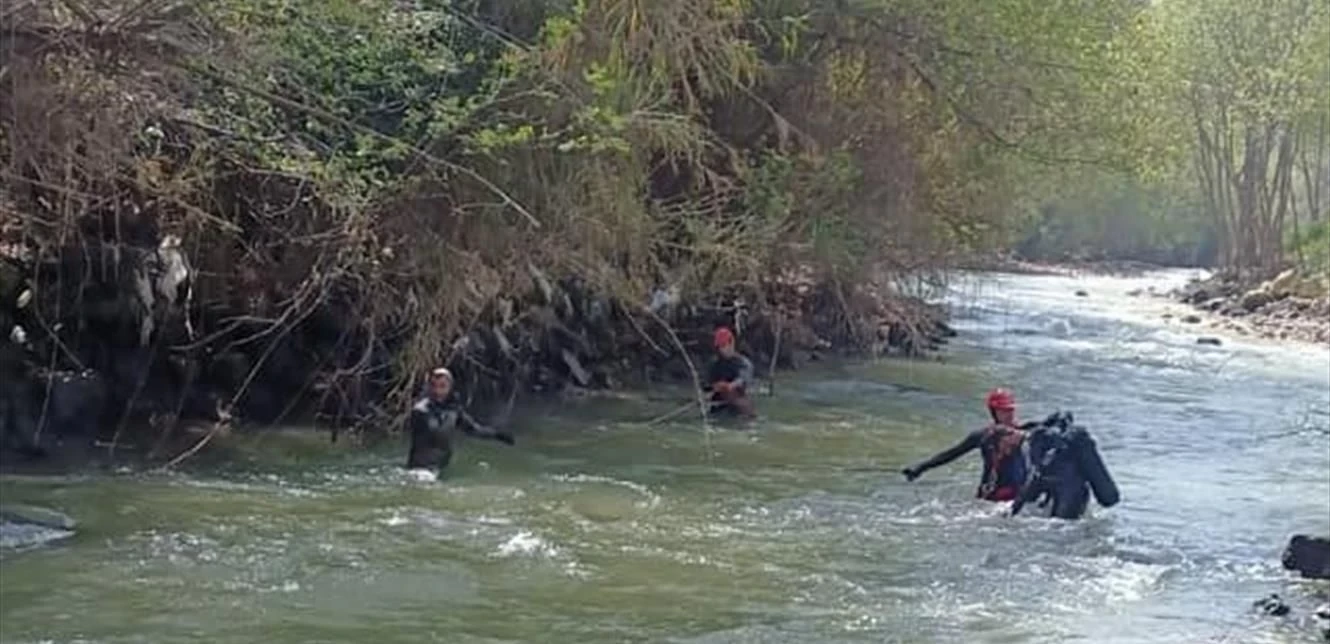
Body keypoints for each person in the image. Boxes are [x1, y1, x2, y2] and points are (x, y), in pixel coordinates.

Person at [901, 388, 1029, 502]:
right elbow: (953, 453)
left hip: (1015, 494)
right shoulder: (983, 436)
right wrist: (921, 467)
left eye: (1011, 410)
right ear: (994, 412)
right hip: (991, 497)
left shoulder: (1027, 433)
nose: (1009, 414)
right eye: (1004, 411)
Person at [406, 367, 515, 475]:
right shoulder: (420, 411)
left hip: (440, 468)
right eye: (433, 386)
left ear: (450, 388)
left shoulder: (454, 410)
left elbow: (474, 430)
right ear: (429, 387)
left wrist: (498, 435)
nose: (437, 391)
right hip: (421, 470)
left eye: (442, 386)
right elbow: (431, 429)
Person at [706, 327, 756, 419]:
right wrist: (713, 388)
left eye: (724, 345)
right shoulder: (715, 364)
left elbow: (743, 379)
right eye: (719, 346)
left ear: (732, 343)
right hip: (719, 402)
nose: (722, 349)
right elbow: (708, 384)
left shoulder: (743, 363)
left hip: (738, 400)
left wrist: (729, 386)